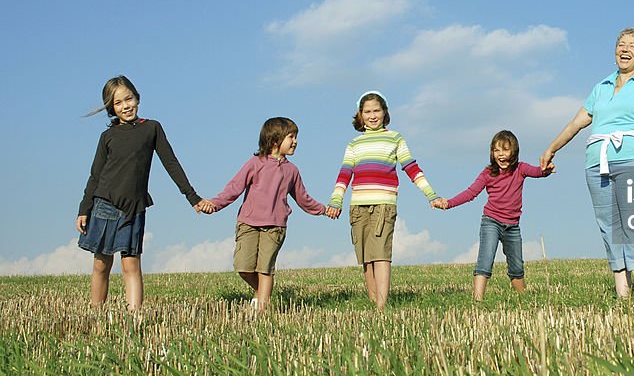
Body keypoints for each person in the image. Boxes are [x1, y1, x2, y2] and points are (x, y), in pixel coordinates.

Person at [540, 29, 634, 299]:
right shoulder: (601, 87)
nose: (625, 49)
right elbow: (576, 123)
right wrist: (551, 148)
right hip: (598, 163)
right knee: (609, 226)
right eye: (621, 44)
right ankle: (623, 293)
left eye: (632, 45)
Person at [77, 75, 209, 310]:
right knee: (101, 264)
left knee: (131, 265)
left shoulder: (152, 128)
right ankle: (95, 314)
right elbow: (95, 175)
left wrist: (193, 197)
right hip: (104, 205)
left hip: (133, 207)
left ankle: (134, 316)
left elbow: (171, 163)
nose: (126, 106)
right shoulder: (107, 137)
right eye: (118, 103)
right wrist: (84, 209)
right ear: (111, 108)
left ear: (137, 97)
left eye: (129, 99)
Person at [203, 117, 338, 311]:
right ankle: (261, 294)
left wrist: (324, 210)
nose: (295, 141)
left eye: (296, 137)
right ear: (275, 140)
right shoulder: (255, 163)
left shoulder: (292, 171)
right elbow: (234, 188)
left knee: (265, 268)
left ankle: (262, 309)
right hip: (248, 223)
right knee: (244, 267)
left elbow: (303, 198)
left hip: (275, 227)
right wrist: (214, 204)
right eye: (291, 137)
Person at [330, 91, 445, 310]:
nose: (372, 116)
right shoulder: (354, 144)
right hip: (358, 205)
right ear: (360, 115)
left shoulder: (395, 138)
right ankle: (373, 303)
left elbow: (412, 168)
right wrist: (336, 200)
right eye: (367, 112)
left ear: (384, 112)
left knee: (381, 253)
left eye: (376, 110)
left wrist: (431, 194)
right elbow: (344, 174)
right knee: (366, 257)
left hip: (383, 204)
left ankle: (382, 306)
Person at [435, 130, 553, 300]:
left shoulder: (521, 169)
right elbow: (471, 193)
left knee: (517, 267)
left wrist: (546, 170)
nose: (501, 154)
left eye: (505, 150)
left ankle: (523, 300)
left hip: (512, 226)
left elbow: (537, 172)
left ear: (514, 151)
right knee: (485, 261)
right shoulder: (488, 173)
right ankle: (477, 300)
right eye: (496, 150)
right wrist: (448, 203)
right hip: (491, 222)